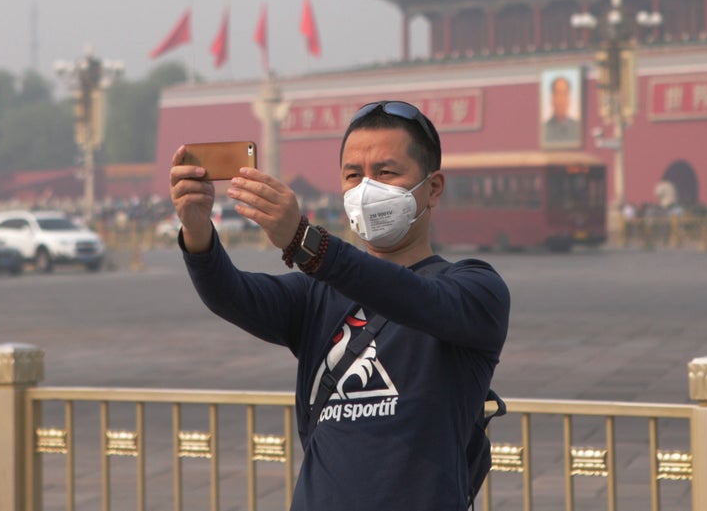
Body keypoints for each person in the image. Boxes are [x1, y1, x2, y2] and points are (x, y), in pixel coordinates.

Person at [170, 100, 510, 510]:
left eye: (386, 172)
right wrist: (196, 227)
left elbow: (410, 297)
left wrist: (304, 241)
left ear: (433, 187)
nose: (367, 188)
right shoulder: (316, 295)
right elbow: (230, 293)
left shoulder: (474, 290)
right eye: (354, 175)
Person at [543, 75, 580, 144]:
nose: (561, 100)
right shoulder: (544, 129)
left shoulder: (577, 127)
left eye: (564, 94)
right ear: (552, 98)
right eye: (558, 93)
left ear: (569, 98)